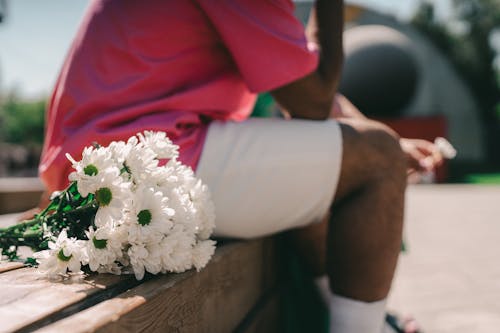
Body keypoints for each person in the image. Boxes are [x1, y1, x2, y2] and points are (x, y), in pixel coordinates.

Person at [37, 1, 442, 332]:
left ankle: (364, 321)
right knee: (377, 159)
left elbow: (305, 95)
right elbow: (312, 101)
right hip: (145, 164)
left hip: (88, 176)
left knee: (344, 166)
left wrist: (382, 144)